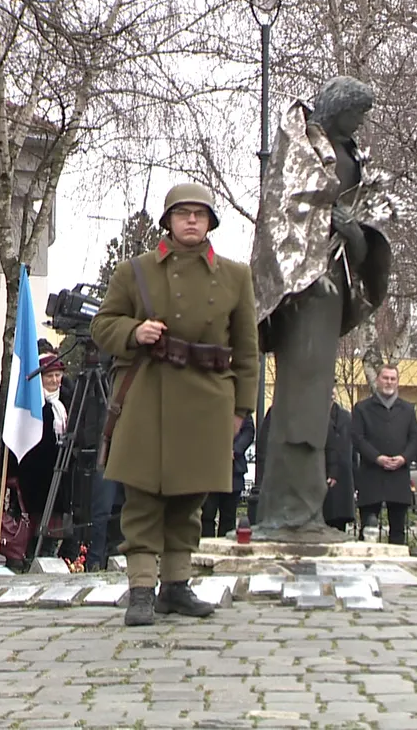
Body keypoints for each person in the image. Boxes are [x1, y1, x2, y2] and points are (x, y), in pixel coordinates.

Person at [91, 182, 260, 626]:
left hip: (208, 402)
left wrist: (240, 412)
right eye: (182, 213)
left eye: (199, 214)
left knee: (191, 499)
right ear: (167, 221)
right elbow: (102, 326)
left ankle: (177, 587)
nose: (190, 220)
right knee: (142, 497)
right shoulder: (136, 272)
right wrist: (133, 333)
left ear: (210, 223)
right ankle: (142, 589)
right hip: (148, 396)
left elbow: (246, 352)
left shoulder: (235, 276)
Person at [251, 76, 394, 543]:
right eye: (355, 114)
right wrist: (333, 225)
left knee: (315, 397)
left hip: (331, 281)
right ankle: (288, 512)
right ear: (336, 109)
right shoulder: (301, 147)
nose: (360, 124)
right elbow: (286, 209)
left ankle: (304, 511)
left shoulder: (344, 149)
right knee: (301, 397)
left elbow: (349, 209)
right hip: (305, 286)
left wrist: (356, 236)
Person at [8, 353, 74, 559]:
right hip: (35, 470)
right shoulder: (31, 403)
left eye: (58, 375)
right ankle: (30, 553)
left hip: (60, 466)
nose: (55, 381)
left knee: (57, 513)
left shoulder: (66, 399)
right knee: (36, 514)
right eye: (49, 377)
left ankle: (51, 551)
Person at [351, 364, 417, 544]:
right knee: (368, 529)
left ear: (397, 382)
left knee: (398, 530)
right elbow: (357, 438)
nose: (389, 382)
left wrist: (404, 458)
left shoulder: (407, 409)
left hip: (398, 476)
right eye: (385, 378)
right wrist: (377, 458)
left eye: (393, 379)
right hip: (371, 475)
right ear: (377, 380)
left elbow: (415, 438)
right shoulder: (362, 408)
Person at [203, 416, 255, 538]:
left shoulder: (241, 408)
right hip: (209, 469)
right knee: (207, 515)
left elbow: (248, 432)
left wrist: (234, 451)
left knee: (228, 516)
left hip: (233, 470)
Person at [323, 394, 356, 534]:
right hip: (321, 477)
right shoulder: (312, 416)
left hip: (342, 482)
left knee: (338, 528)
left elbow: (352, 451)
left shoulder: (345, 417)